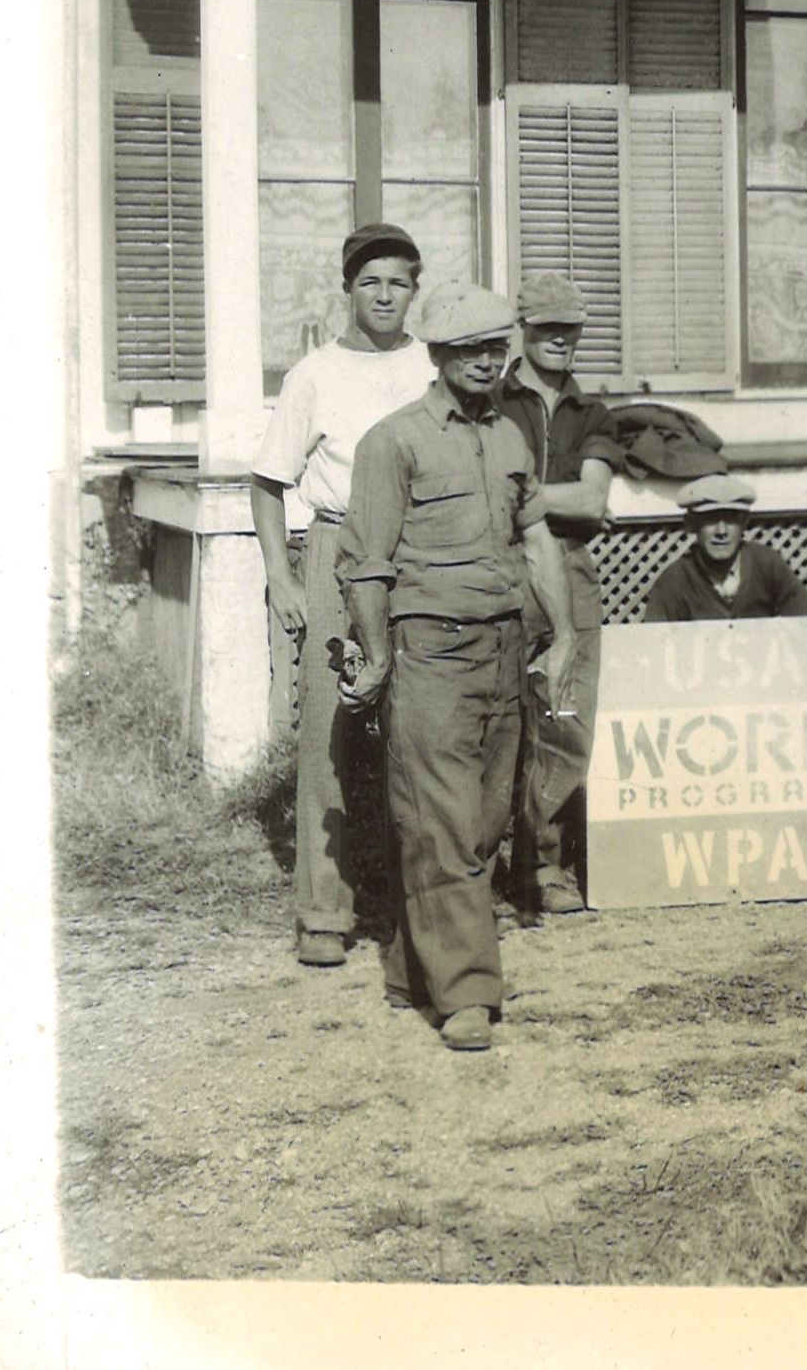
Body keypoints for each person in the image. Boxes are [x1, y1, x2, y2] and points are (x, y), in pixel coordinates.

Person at [333, 283, 577, 1052]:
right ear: (436, 355)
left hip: (504, 648)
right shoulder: (392, 442)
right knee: (439, 822)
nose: (484, 361)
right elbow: (366, 565)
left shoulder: (508, 435)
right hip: (430, 649)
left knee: (482, 822)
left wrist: (563, 633)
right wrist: (376, 659)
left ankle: (414, 970)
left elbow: (537, 540)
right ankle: (469, 994)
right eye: (467, 349)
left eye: (494, 347)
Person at [248, 223, 435, 969]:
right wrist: (281, 576)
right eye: (370, 282)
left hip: (415, 552)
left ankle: (413, 908)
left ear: (414, 290)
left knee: (417, 732)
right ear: (348, 289)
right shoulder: (315, 374)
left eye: (398, 281)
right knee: (331, 732)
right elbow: (266, 482)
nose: (384, 294)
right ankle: (323, 911)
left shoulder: (432, 366)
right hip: (335, 549)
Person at [492, 277, 622, 919]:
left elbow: (593, 501)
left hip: (569, 568)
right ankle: (485, 869)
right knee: (497, 721)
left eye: (571, 329)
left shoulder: (591, 413)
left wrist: (521, 494)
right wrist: (551, 495)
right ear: (525, 329)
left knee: (564, 721)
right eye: (548, 328)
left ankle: (545, 865)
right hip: (498, 568)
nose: (561, 340)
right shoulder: (491, 397)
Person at [643, 474, 807, 621]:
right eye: (710, 519)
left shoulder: (766, 564)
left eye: (731, 519)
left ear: (744, 523)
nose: (721, 531)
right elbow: (653, 650)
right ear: (691, 524)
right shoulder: (675, 581)